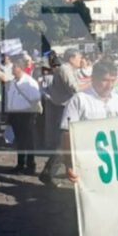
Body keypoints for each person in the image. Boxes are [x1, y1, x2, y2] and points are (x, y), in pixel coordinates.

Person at [61, 60, 118, 184]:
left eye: (113, 80)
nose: (109, 85)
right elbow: (67, 133)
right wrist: (69, 163)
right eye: (105, 80)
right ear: (93, 79)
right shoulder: (80, 100)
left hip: (116, 162)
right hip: (89, 161)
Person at [39, 50, 82, 186]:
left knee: (70, 142)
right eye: (79, 58)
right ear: (71, 58)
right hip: (64, 109)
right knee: (63, 143)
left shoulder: (70, 70)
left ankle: (69, 170)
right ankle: (48, 172)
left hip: (67, 107)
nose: (81, 60)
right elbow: (74, 88)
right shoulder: (65, 69)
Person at [5, 56, 43, 174]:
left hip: (26, 115)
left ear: (20, 68)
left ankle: (30, 165)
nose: (12, 69)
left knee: (28, 141)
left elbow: (36, 97)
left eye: (14, 67)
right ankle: (20, 164)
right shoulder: (13, 82)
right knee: (20, 141)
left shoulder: (29, 82)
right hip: (15, 114)